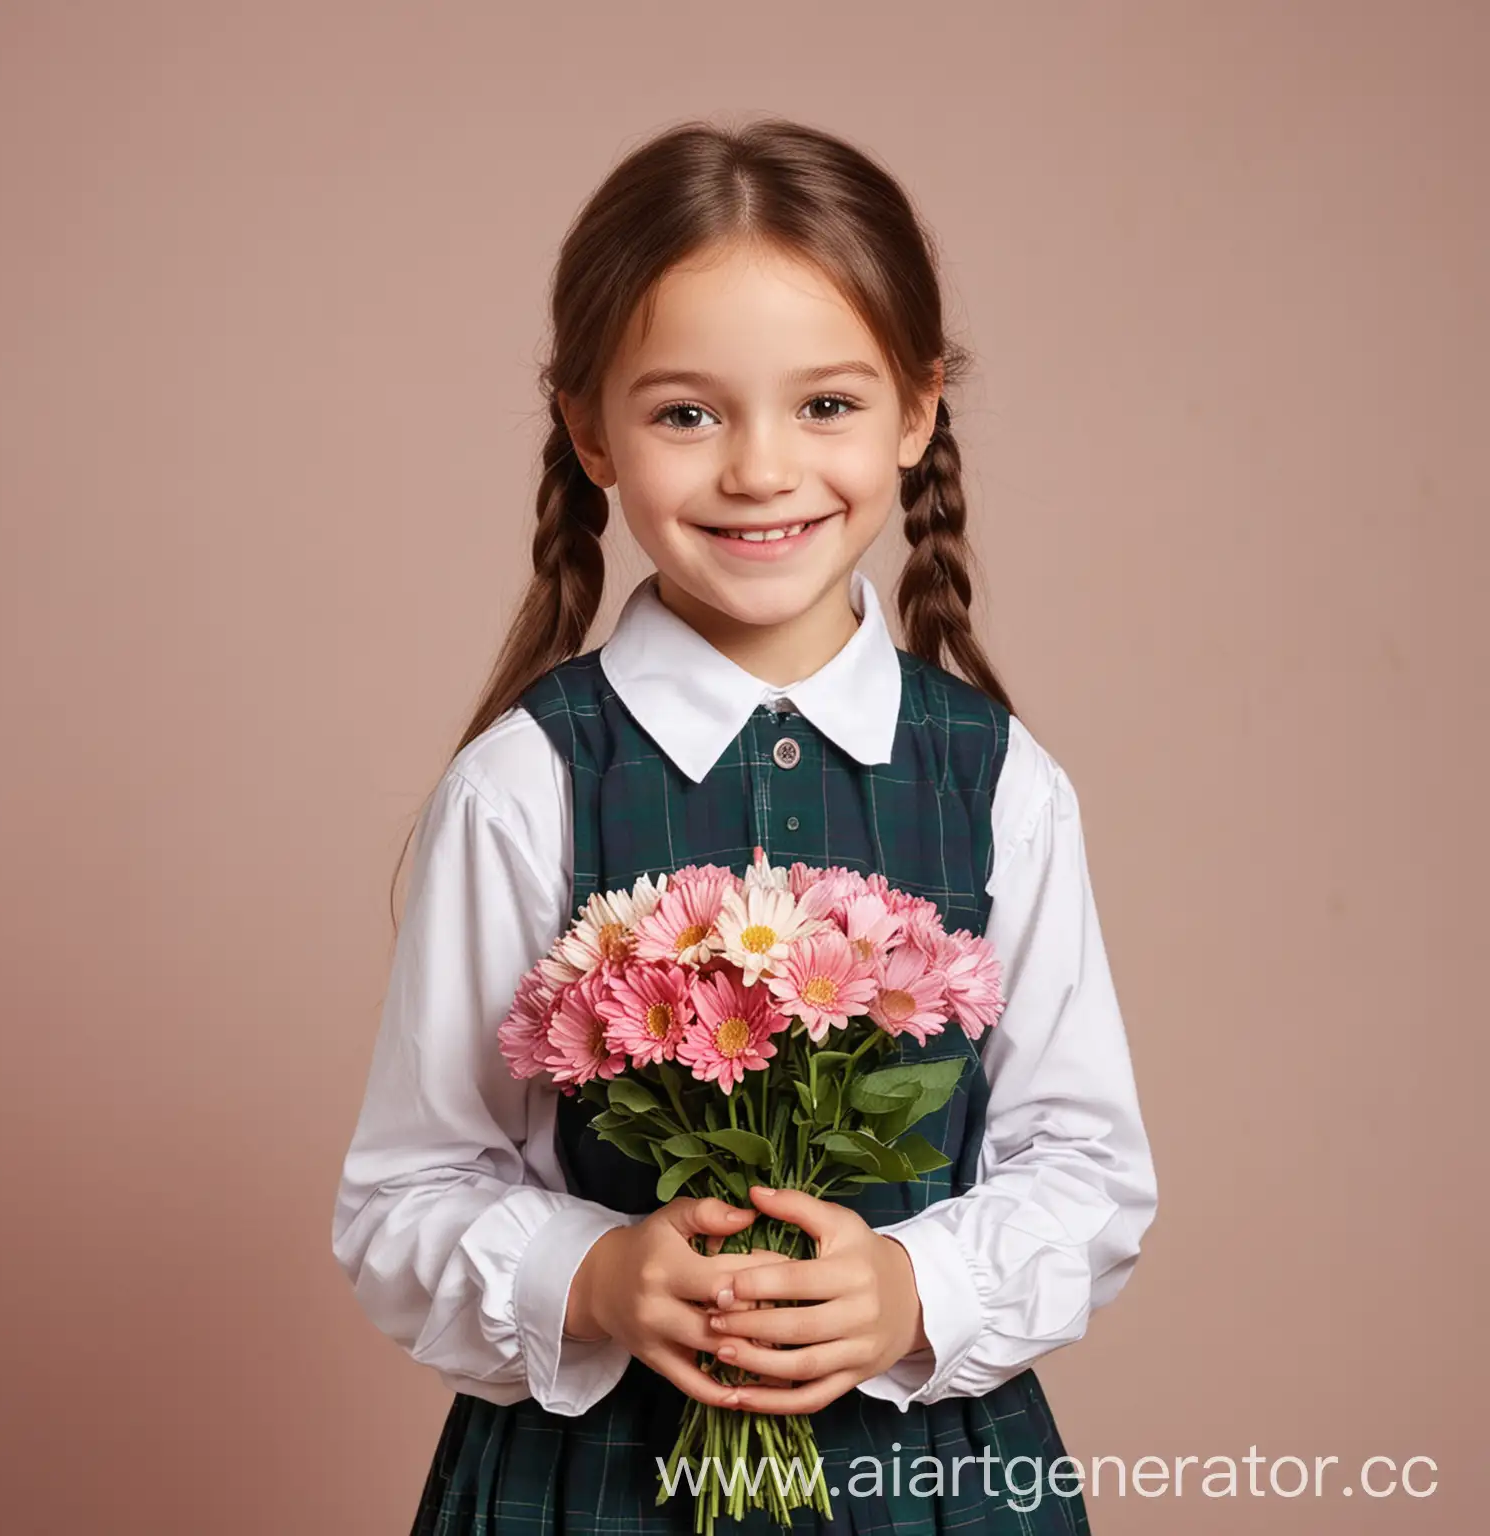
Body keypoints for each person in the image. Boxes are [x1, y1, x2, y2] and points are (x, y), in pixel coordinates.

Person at [331, 116, 1157, 1534]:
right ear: (591, 427)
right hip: (593, 1490)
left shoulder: (999, 781)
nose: (761, 470)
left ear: (917, 410)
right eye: (688, 413)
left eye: (826, 405)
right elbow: (406, 1198)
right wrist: (592, 1278)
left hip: (935, 1489)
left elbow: (1086, 1170)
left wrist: (915, 1287)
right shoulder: (527, 782)